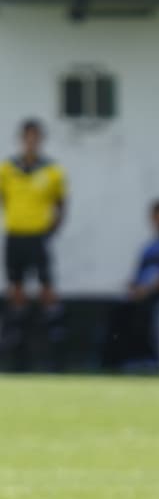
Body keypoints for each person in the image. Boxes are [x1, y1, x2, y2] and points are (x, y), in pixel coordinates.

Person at [0, 118, 67, 371]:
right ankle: (17, 351)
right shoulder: (7, 169)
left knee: (47, 289)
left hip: (39, 237)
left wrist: (50, 231)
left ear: (40, 140)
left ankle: (55, 344)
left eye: (35, 137)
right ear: (22, 139)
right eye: (27, 136)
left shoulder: (52, 171)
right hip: (15, 236)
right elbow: (4, 199)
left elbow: (61, 206)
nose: (31, 141)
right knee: (16, 290)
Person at [99, 199, 159, 370]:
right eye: (156, 217)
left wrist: (147, 290)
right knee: (120, 310)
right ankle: (117, 361)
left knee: (154, 311)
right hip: (146, 293)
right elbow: (138, 277)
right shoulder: (149, 248)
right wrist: (133, 288)